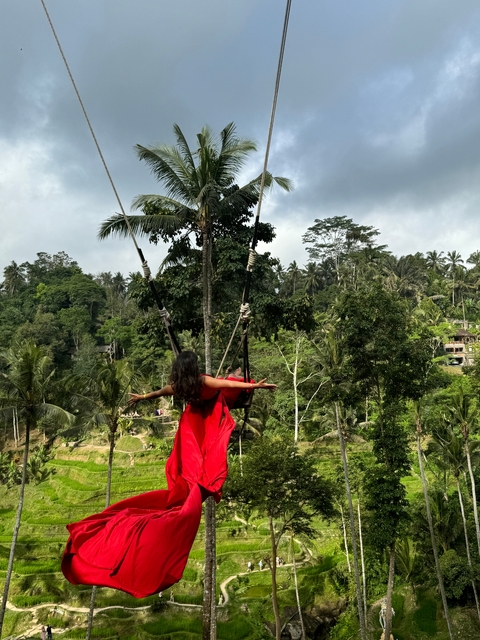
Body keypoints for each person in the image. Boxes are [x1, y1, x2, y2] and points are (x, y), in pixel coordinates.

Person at [62, 351, 276, 599]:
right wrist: (255, 386)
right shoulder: (203, 381)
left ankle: (194, 485)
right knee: (205, 462)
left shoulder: (179, 386)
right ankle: (197, 486)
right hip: (207, 417)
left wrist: (142, 397)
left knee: (190, 465)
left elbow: (159, 393)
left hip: (192, 421)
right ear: (193, 367)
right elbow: (226, 384)